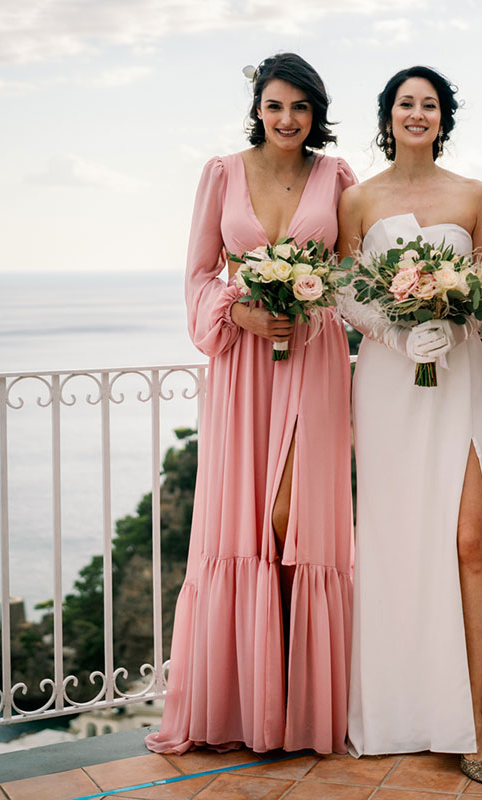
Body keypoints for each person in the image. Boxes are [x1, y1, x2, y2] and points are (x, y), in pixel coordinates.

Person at [145, 53, 357, 756]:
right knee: (249, 528)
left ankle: (303, 704)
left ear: (314, 112)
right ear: (257, 108)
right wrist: (238, 314)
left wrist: (320, 299)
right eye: (275, 105)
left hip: (316, 356)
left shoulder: (337, 177)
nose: (287, 119)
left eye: (300, 107)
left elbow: (353, 270)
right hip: (244, 368)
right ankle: (250, 705)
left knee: (295, 519)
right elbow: (200, 273)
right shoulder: (221, 174)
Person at [337, 65, 482, 783]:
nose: (418, 113)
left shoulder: (474, 196)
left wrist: (460, 318)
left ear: (444, 118)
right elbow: (347, 293)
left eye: (429, 104)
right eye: (406, 103)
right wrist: (396, 332)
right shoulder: (358, 199)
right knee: (395, 544)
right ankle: (399, 712)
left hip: (460, 375)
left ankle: (473, 723)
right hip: (387, 383)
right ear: (388, 115)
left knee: (472, 541)